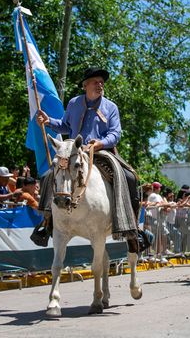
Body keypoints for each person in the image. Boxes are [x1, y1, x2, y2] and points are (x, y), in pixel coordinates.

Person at [36, 67, 141, 252]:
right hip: (75, 152)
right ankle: (47, 222)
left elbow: (116, 134)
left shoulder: (111, 107)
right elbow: (65, 126)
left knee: (130, 177)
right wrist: (48, 121)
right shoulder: (74, 103)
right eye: (95, 82)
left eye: (102, 82)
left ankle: (131, 228)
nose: (100, 84)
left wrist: (100, 143)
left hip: (102, 151)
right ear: (85, 85)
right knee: (47, 176)